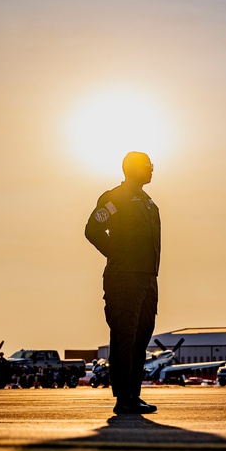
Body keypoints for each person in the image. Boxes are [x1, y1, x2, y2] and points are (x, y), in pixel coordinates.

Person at [85, 151, 161, 415]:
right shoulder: (115, 199)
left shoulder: (148, 202)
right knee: (124, 337)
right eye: (148, 165)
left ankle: (134, 395)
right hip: (124, 279)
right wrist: (117, 256)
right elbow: (92, 230)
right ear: (133, 169)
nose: (152, 169)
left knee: (141, 338)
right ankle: (123, 397)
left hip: (148, 280)